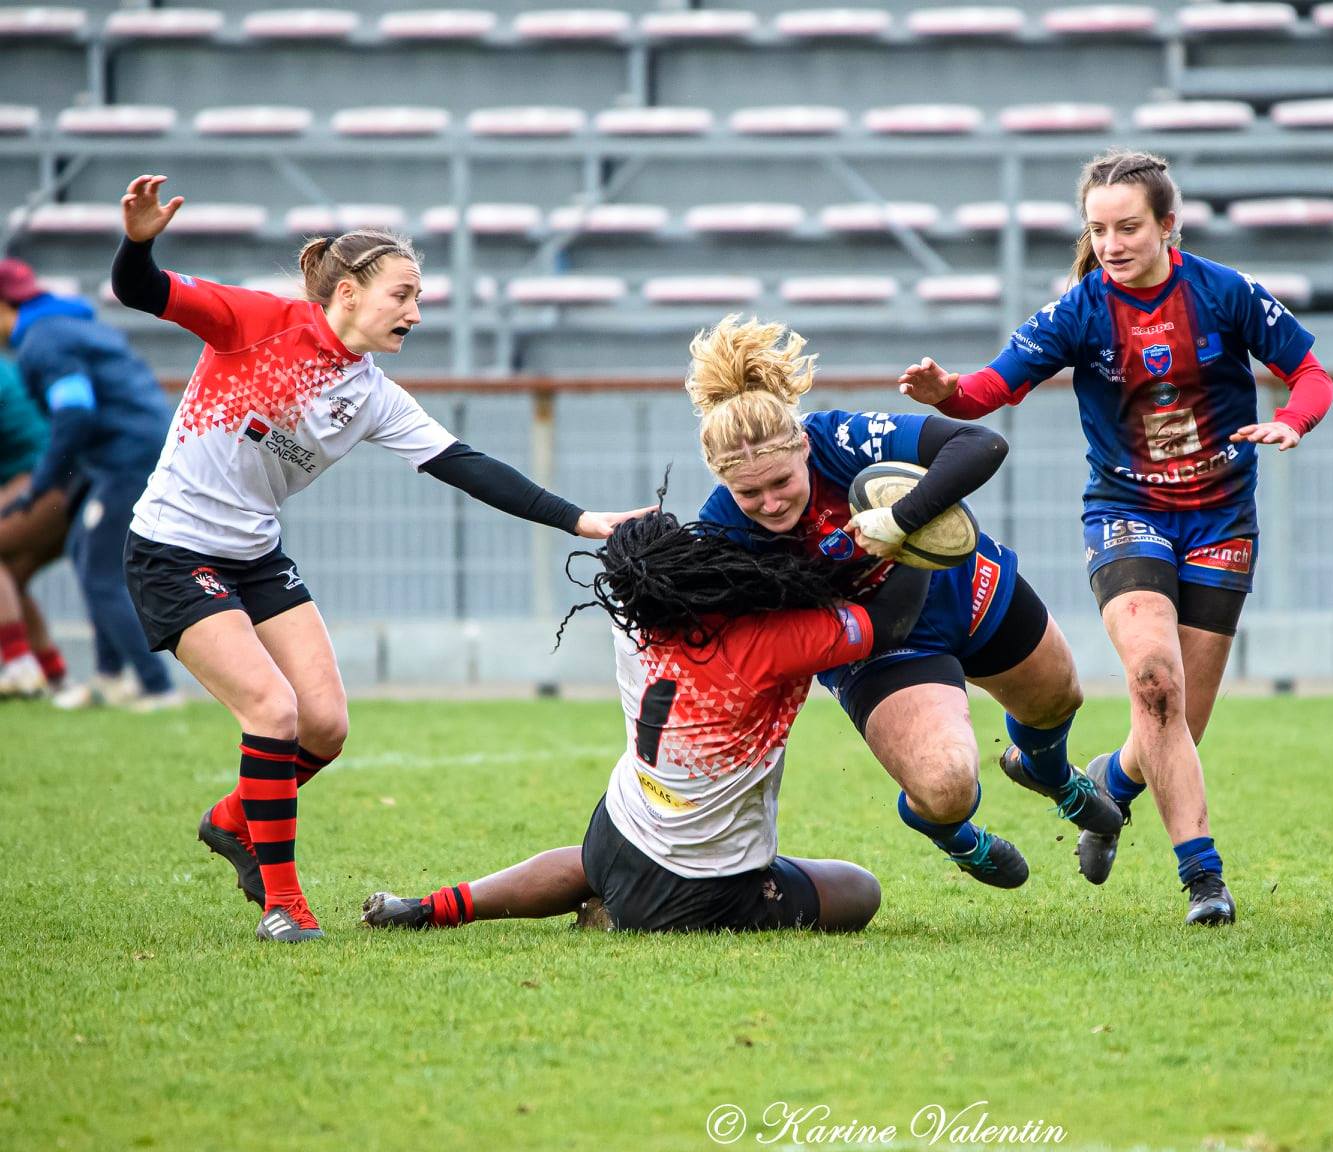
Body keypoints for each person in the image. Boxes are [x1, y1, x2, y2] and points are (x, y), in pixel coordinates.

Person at [109, 175, 651, 943]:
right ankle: (284, 907)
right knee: (273, 712)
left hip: (255, 557)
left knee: (324, 728)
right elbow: (141, 289)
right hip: (171, 549)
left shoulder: (370, 392)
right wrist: (138, 239)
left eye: (419, 297)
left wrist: (581, 520)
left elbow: (465, 463)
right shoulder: (255, 321)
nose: (416, 312)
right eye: (403, 293)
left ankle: (236, 819)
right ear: (352, 291)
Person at [897, 149, 1333, 925]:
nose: (1111, 242)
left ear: (1167, 225)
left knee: (1175, 726)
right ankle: (1204, 880)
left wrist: (1292, 420)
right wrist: (946, 395)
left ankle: (1109, 780)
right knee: (1155, 687)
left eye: (1128, 226)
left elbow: (1310, 372)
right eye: (1097, 229)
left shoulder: (1222, 292)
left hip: (1221, 519)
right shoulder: (1079, 309)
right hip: (1125, 513)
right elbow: (990, 389)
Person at [688, 316, 1122, 891]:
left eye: (781, 482)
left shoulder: (838, 440)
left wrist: (900, 520)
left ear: (801, 446)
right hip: (879, 645)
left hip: (961, 587)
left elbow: (980, 443)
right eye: (749, 492)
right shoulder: (722, 533)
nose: (770, 503)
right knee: (947, 787)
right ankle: (952, 834)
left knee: (1057, 699)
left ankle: (1054, 777)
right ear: (723, 482)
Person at [363, 507, 929, 934]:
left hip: (619, 828)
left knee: (595, 865)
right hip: (701, 889)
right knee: (861, 891)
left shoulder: (630, 624)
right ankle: (625, 913)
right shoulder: (759, 645)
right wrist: (916, 520)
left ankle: (430, 908)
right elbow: (891, 623)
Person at [0, 257, 178, 709]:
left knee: (102, 574)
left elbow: (75, 410)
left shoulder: (43, 341)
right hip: (133, 452)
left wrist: (43, 484)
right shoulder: (69, 325)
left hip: (127, 458)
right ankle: (110, 677)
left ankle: (157, 687)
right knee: (85, 553)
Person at [0, 353, 76, 698]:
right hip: (58, 483)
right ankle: (52, 673)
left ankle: (20, 666)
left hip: (41, 484)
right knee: (10, 577)